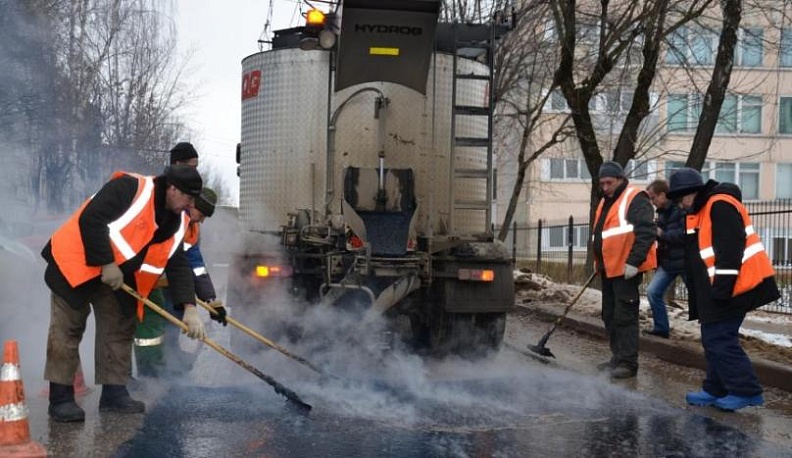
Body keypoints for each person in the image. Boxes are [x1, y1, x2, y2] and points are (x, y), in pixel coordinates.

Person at [42, 165, 205, 422]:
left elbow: (178, 263)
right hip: (74, 263)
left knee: (119, 325)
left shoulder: (177, 220)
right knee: (67, 329)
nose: (190, 205)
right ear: (173, 188)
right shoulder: (131, 188)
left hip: (115, 274)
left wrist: (189, 307)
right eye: (188, 197)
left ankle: (114, 394)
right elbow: (91, 219)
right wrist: (106, 263)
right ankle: (60, 399)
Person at [667, 167, 779, 411]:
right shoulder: (701, 211)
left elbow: (729, 252)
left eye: (681, 199)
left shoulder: (719, 205)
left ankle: (746, 390)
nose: (680, 205)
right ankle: (715, 388)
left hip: (735, 286)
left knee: (720, 339)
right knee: (713, 339)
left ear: (693, 192)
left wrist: (721, 291)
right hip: (718, 289)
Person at [134, 143, 226, 378]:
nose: (203, 220)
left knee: (172, 320)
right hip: (149, 279)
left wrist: (210, 300)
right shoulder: (173, 213)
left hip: (168, 280)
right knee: (152, 327)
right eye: (202, 214)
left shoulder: (191, 225)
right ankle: (150, 372)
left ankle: (168, 359)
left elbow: (194, 263)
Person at [592, 161, 657, 379]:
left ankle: (628, 363)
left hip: (626, 269)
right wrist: (599, 261)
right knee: (609, 315)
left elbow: (646, 232)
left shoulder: (635, 198)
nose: (606, 187)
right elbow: (604, 235)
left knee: (625, 316)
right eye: (602, 184)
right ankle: (617, 358)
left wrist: (634, 262)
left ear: (620, 179)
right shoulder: (606, 201)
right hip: (609, 269)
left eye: (609, 182)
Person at [644, 179, 688, 338]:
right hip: (669, 262)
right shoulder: (662, 213)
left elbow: (685, 234)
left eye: (653, 197)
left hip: (685, 261)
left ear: (663, 195)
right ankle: (661, 328)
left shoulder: (680, 209)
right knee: (652, 292)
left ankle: (712, 333)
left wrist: (662, 234)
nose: (652, 201)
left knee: (700, 300)